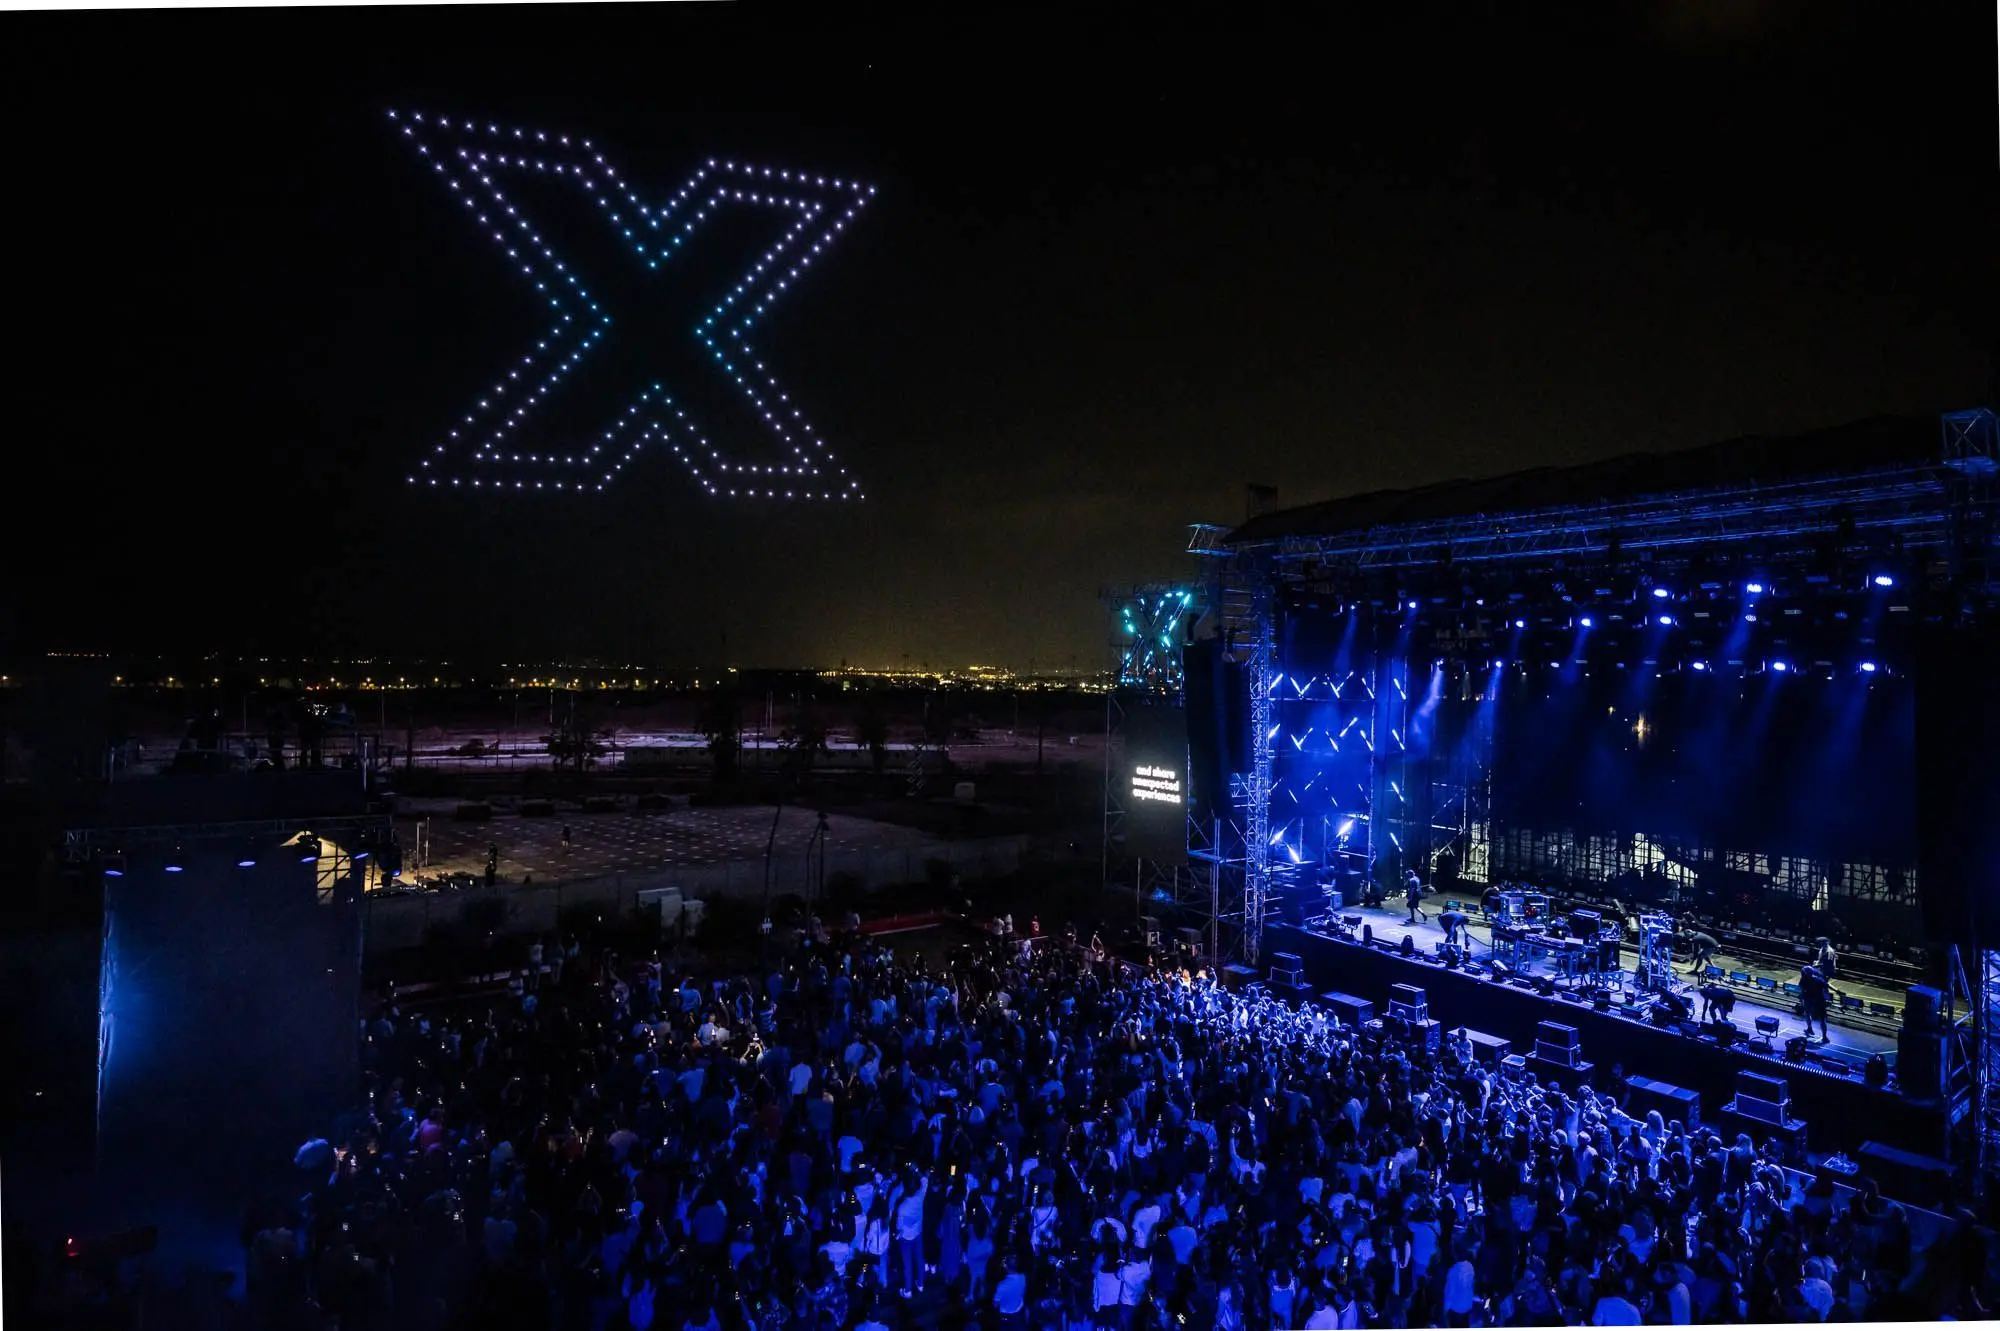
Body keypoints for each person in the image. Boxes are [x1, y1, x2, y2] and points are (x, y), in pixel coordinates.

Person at [1799, 963, 1832, 1043]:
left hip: (1808, 1000)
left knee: (1807, 1013)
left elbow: (1802, 989)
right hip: (1819, 1001)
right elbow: (1826, 987)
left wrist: (1802, 998)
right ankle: (1824, 1037)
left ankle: (1810, 1028)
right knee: (1822, 1019)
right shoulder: (1819, 979)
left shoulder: (1803, 980)